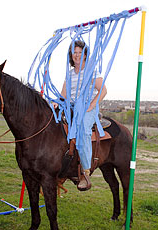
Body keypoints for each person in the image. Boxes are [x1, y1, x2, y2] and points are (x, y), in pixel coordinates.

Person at [53, 40, 107, 191]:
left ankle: (85, 172)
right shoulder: (70, 74)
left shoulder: (91, 71)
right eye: (74, 52)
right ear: (71, 55)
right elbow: (63, 94)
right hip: (73, 108)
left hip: (88, 107)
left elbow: (103, 90)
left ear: (84, 55)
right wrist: (56, 103)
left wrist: (93, 104)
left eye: (79, 52)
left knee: (83, 130)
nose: (77, 55)